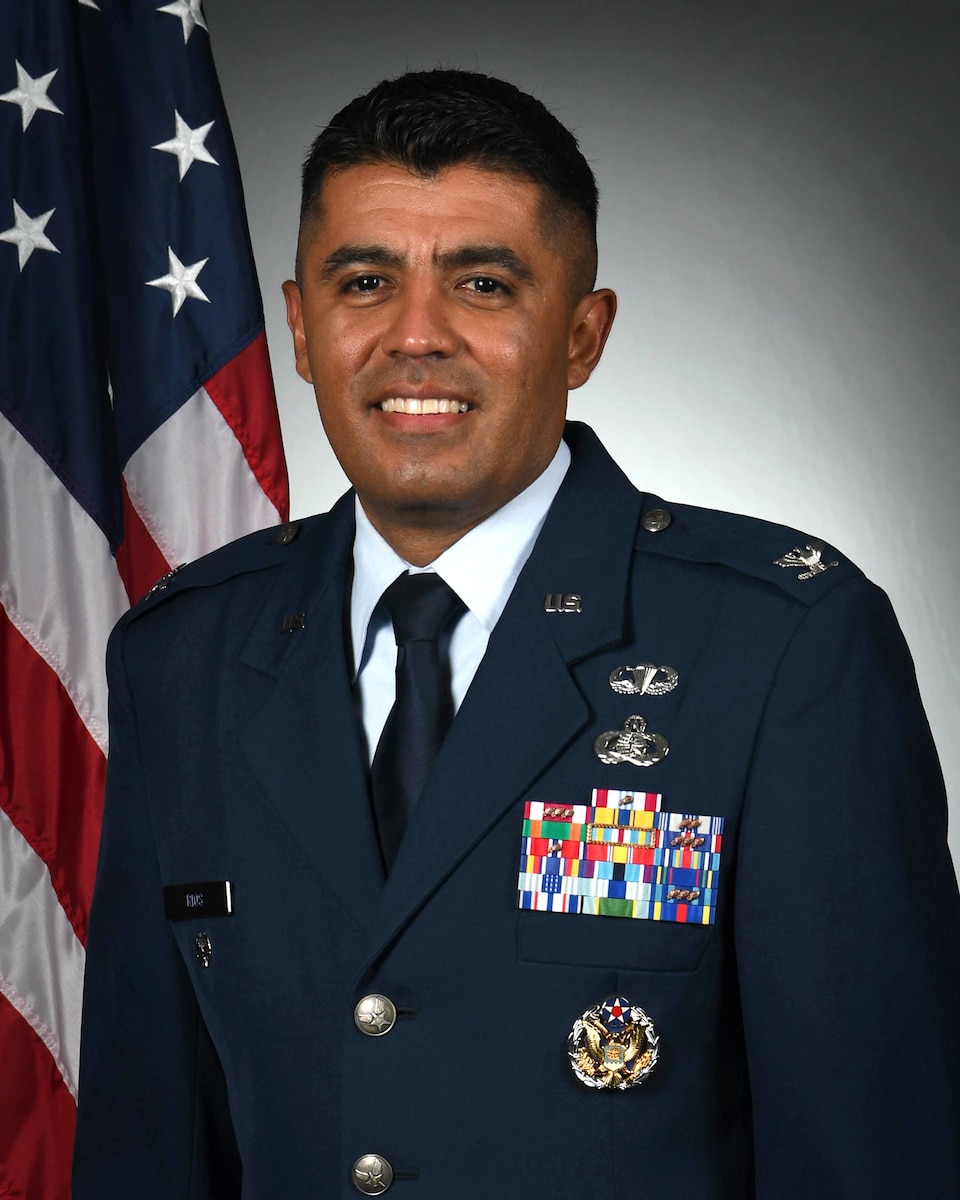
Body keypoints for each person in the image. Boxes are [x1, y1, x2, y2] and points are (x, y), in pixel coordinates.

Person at [73, 69, 960, 1198]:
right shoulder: (184, 655)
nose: (416, 337)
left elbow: (874, 1158)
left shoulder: (785, 644)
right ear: (299, 328)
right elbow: (145, 1152)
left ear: (583, 336)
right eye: (364, 281)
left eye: (484, 284)